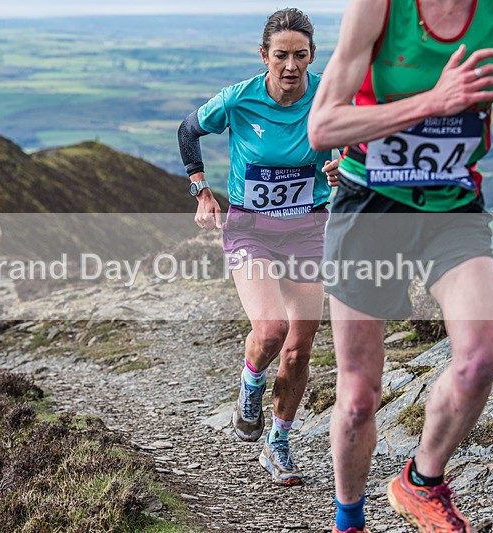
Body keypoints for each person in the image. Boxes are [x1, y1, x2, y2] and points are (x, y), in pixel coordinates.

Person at [307, 0, 493, 531]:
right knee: (359, 397)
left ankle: (422, 481)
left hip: (452, 208)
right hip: (370, 208)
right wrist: (433, 102)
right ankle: (349, 520)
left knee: (479, 360)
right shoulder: (377, 8)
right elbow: (323, 128)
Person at [177, 8, 340, 486]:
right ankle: (250, 385)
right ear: (264, 55)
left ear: (312, 55)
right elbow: (189, 131)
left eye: (301, 55)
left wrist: (342, 165)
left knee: (300, 347)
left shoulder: (328, 93)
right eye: (282, 55)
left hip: (308, 227)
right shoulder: (239, 99)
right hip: (251, 229)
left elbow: (356, 141)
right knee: (271, 331)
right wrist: (201, 190)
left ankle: (279, 444)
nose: (292, 66)